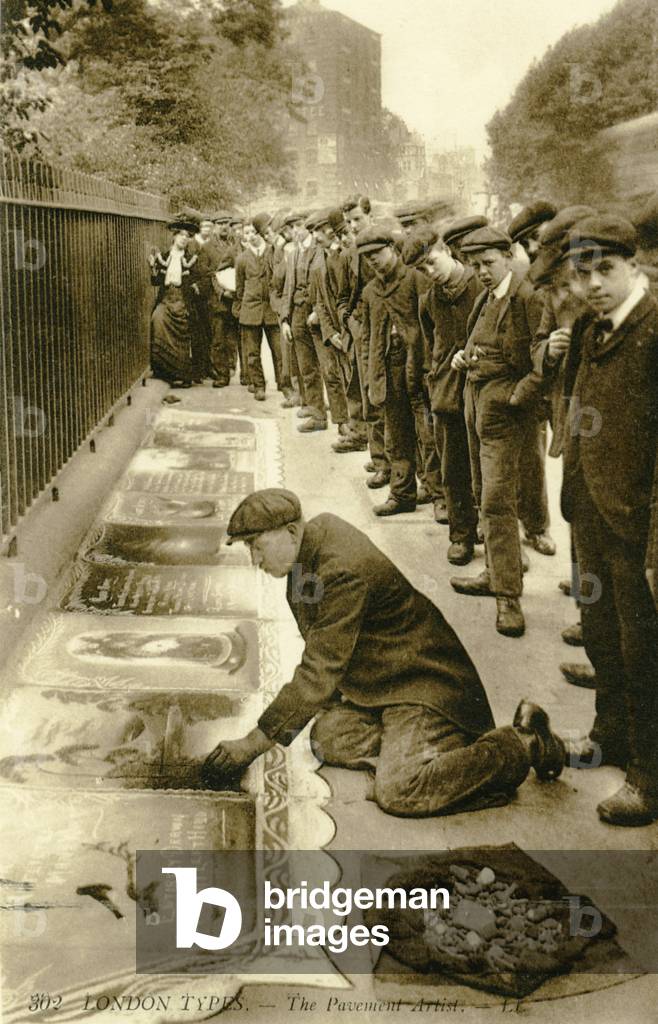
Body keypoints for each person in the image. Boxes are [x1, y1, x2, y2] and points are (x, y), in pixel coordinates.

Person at [202, 488, 565, 818]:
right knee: (327, 739)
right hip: (386, 686)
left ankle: (521, 743)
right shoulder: (312, 546)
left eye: (256, 545)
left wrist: (251, 744)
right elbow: (327, 652)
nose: (255, 558)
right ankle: (434, 755)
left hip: (425, 688)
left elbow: (318, 671)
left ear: (292, 532)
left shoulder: (340, 570)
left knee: (399, 792)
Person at [552, 215, 658, 826]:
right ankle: (609, 737)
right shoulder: (590, 329)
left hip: (638, 523)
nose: (592, 284)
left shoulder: (654, 329)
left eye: (605, 271)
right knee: (602, 636)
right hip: (591, 511)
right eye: (582, 273)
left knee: (644, 650)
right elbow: (577, 412)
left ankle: (647, 774)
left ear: (633, 266)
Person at [450, 226, 544, 638]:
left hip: (504, 416)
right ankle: (493, 571)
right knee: (479, 490)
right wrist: (464, 357)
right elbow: (480, 344)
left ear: (508, 255)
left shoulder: (527, 298)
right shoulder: (488, 297)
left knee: (497, 502)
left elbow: (541, 367)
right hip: (477, 409)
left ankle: (508, 596)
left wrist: (513, 396)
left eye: (488, 263)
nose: (481, 272)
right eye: (475, 265)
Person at [407, 228, 480, 561]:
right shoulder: (431, 299)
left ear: (447, 251)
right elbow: (430, 342)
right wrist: (435, 381)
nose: (430, 273)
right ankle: (461, 534)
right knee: (453, 469)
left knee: (490, 471)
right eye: (422, 270)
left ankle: (495, 537)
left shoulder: (481, 286)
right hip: (448, 393)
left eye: (432, 263)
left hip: (480, 390)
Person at [358, 227, 441, 517]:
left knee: (428, 433)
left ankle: (437, 493)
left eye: (378, 254)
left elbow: (434, 328)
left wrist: (431, 367)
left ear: (392, 249)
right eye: (368, 259)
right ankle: (402, 494)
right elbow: (368, 338)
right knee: (396, 436)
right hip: (389, 369)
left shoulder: (417, 280)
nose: (374, 262)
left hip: (419, 367)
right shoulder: (370, 292)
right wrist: (371, 377)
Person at [336, 195, 391, 489]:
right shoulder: (348, 254)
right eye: (348, 222)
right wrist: (351, 323)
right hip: (361, 332)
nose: (353, 226)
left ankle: (393, 459)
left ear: (370, 216)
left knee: (387, 396)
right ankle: (380, 457)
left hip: (387, 331)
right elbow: (343, 297)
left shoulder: (387, 245)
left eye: (357, 219)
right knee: (365, 393)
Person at [280, 212, 328, 432]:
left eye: (299, 226)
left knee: (328, 368)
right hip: (298, 314)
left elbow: (325, 286)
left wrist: (318, 310)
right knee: (306, 366)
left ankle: (340, 419)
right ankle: (315, 411)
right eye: (293, 227)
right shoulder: (293, 254)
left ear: (307, 228)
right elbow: (287, 288)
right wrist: (285, 319)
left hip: (316, 314)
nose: (296, 231)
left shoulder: (320, 251)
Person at [235, 212, 284, 402]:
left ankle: (284, 383)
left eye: (254, 232)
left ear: (260, 234)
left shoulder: (273, 252)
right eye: (247, 234)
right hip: (250, 311)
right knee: (252, 354)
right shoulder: (242, 259)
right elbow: (239, 288)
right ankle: (259, 386)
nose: (251, 237)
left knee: (279, 350)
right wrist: (242, 310)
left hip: (271, 310)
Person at [148, 215, 199, 388]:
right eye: (181, 235)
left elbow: (195, 279)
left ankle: (183, 374)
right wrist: (152, 268)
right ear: (174, 236)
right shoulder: (164, 257)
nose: (184, 239)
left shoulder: (191, 259)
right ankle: (164, 372)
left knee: (184, 330)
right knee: (157, 319)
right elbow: (156, 282)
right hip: (166, 300)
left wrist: (192, 286)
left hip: (182, 301)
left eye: (187, 236)